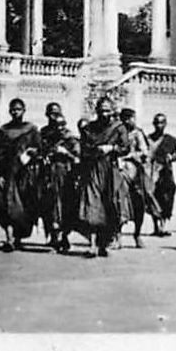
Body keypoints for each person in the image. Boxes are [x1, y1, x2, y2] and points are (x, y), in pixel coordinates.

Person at [76, 97, 127, 257]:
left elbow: (125, 148)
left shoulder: (119, 128)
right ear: (96, 111)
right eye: (101, 110)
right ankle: (91, 244)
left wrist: (111, 148)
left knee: (110, 205)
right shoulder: (89, 129)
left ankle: (104, 243)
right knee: (92, 205)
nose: (104, 114)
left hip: (110, 171)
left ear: (112, 111)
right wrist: (95, 150)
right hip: (92, 170)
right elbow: (83, 149)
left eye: (107, 110)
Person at [0, 98, 41, 252]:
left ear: (24, 110)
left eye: (19, 109)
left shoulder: (31, 129)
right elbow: (0, 154)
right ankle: (9, 239)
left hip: (26, 174)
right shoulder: (3, 130)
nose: (16, 112)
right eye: (13, 109)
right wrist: (0, 174)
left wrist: (30, 153)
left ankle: (18, 238)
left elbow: (39, 149)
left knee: (24, 206)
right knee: (6, 204)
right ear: (9, 111)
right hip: (8, 172)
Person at [37, 102, 80, 253]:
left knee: (66, 205)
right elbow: (39, 150)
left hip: (65, 175)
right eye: (51, 114)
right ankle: (53, 235)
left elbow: (77, 158)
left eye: (61, 123)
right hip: (48, 174)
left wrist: (65, 153)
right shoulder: (43, 133)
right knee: (48, 205)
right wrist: (44, 156)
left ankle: (64, 236)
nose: (59, 127)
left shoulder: (70, 138)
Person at [116, 107, 154, 248]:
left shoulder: (137, 133)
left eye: (133, 118)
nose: (133, 121)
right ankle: (117, 236)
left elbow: (145, 152)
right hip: (120, 171)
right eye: (131, 118)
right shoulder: (118, 132)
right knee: (118, 202)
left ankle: (137, 234)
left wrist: (132, 155)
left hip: (135, 173)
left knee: (139, 202)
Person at [149, 113, 176, 237]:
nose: (159, 125)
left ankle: (163, 225)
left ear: (165, 124)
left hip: (165, 172)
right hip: (151, 172)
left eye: (162, 123)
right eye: (157, 122)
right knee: (152, 197)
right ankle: (156, 227)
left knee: (166, 197)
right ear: (153, 124)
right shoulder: (148, 139)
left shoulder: (170, 140)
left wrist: (171, 157)